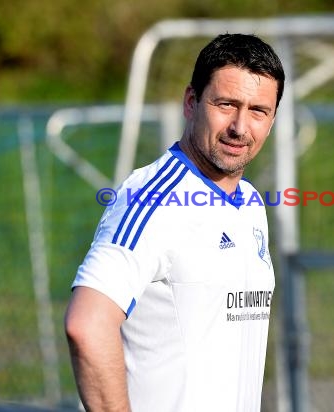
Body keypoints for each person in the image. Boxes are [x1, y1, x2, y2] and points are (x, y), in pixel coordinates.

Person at [64, 33, 285, 412]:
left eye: (257, 111)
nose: (239, 126)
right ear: (191, 102)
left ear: (272, 118)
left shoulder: (249, 204)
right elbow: (87, 326)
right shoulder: (151, 198)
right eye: (226, 104)